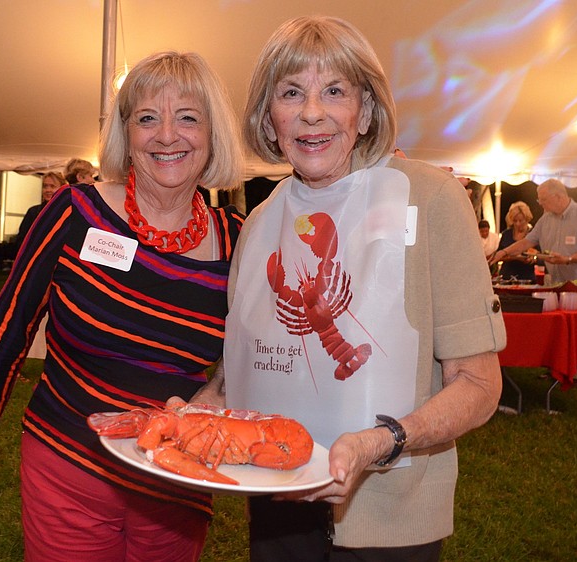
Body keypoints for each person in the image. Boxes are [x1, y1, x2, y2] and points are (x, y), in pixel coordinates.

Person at [189, 16, 505, 561]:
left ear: (366, 112)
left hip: (392, 514)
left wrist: (381, 442)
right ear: (269, 119)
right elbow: (237, 369)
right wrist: (196, 413)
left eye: (334, 90)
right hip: (276, 500)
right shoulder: (259, 222)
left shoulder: (431, 200)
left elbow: (479, 384)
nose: (313, 112)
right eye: (292, 93)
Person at [0, 51, 245, 561]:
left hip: (176, 485)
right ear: (127, 133)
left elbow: (255, 350)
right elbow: (5, 334)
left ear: (213, 134)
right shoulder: (75, 212)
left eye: (188, 117)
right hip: (67, 464)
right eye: (147, 118)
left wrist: (215, 389)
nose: (167, 135)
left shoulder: (237, 243)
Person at [491, 178, 577, 384]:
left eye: (544, 199)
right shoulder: (546, 219)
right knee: (563, 331)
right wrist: (502, 252)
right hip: (561, 285)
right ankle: (559, 369)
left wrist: (568, 259)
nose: (541, 204)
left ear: (559, 196)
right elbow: (527, 241)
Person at [15, 171, 65, 252]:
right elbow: (21, 240)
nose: (48, 190)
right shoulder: (33, 212)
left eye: (52, 186)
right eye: (45, 186)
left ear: (62, 189)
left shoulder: (67, 212)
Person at [496, 201, 537, 282]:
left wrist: (533, 258)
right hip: (507, 278)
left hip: (527, 278)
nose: (518, 224)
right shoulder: (506, 234)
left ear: (527, 219)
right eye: (515, 221)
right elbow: (499, 255)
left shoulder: (534, 235)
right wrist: (514, 257)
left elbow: (540, 256)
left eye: (521, 220)